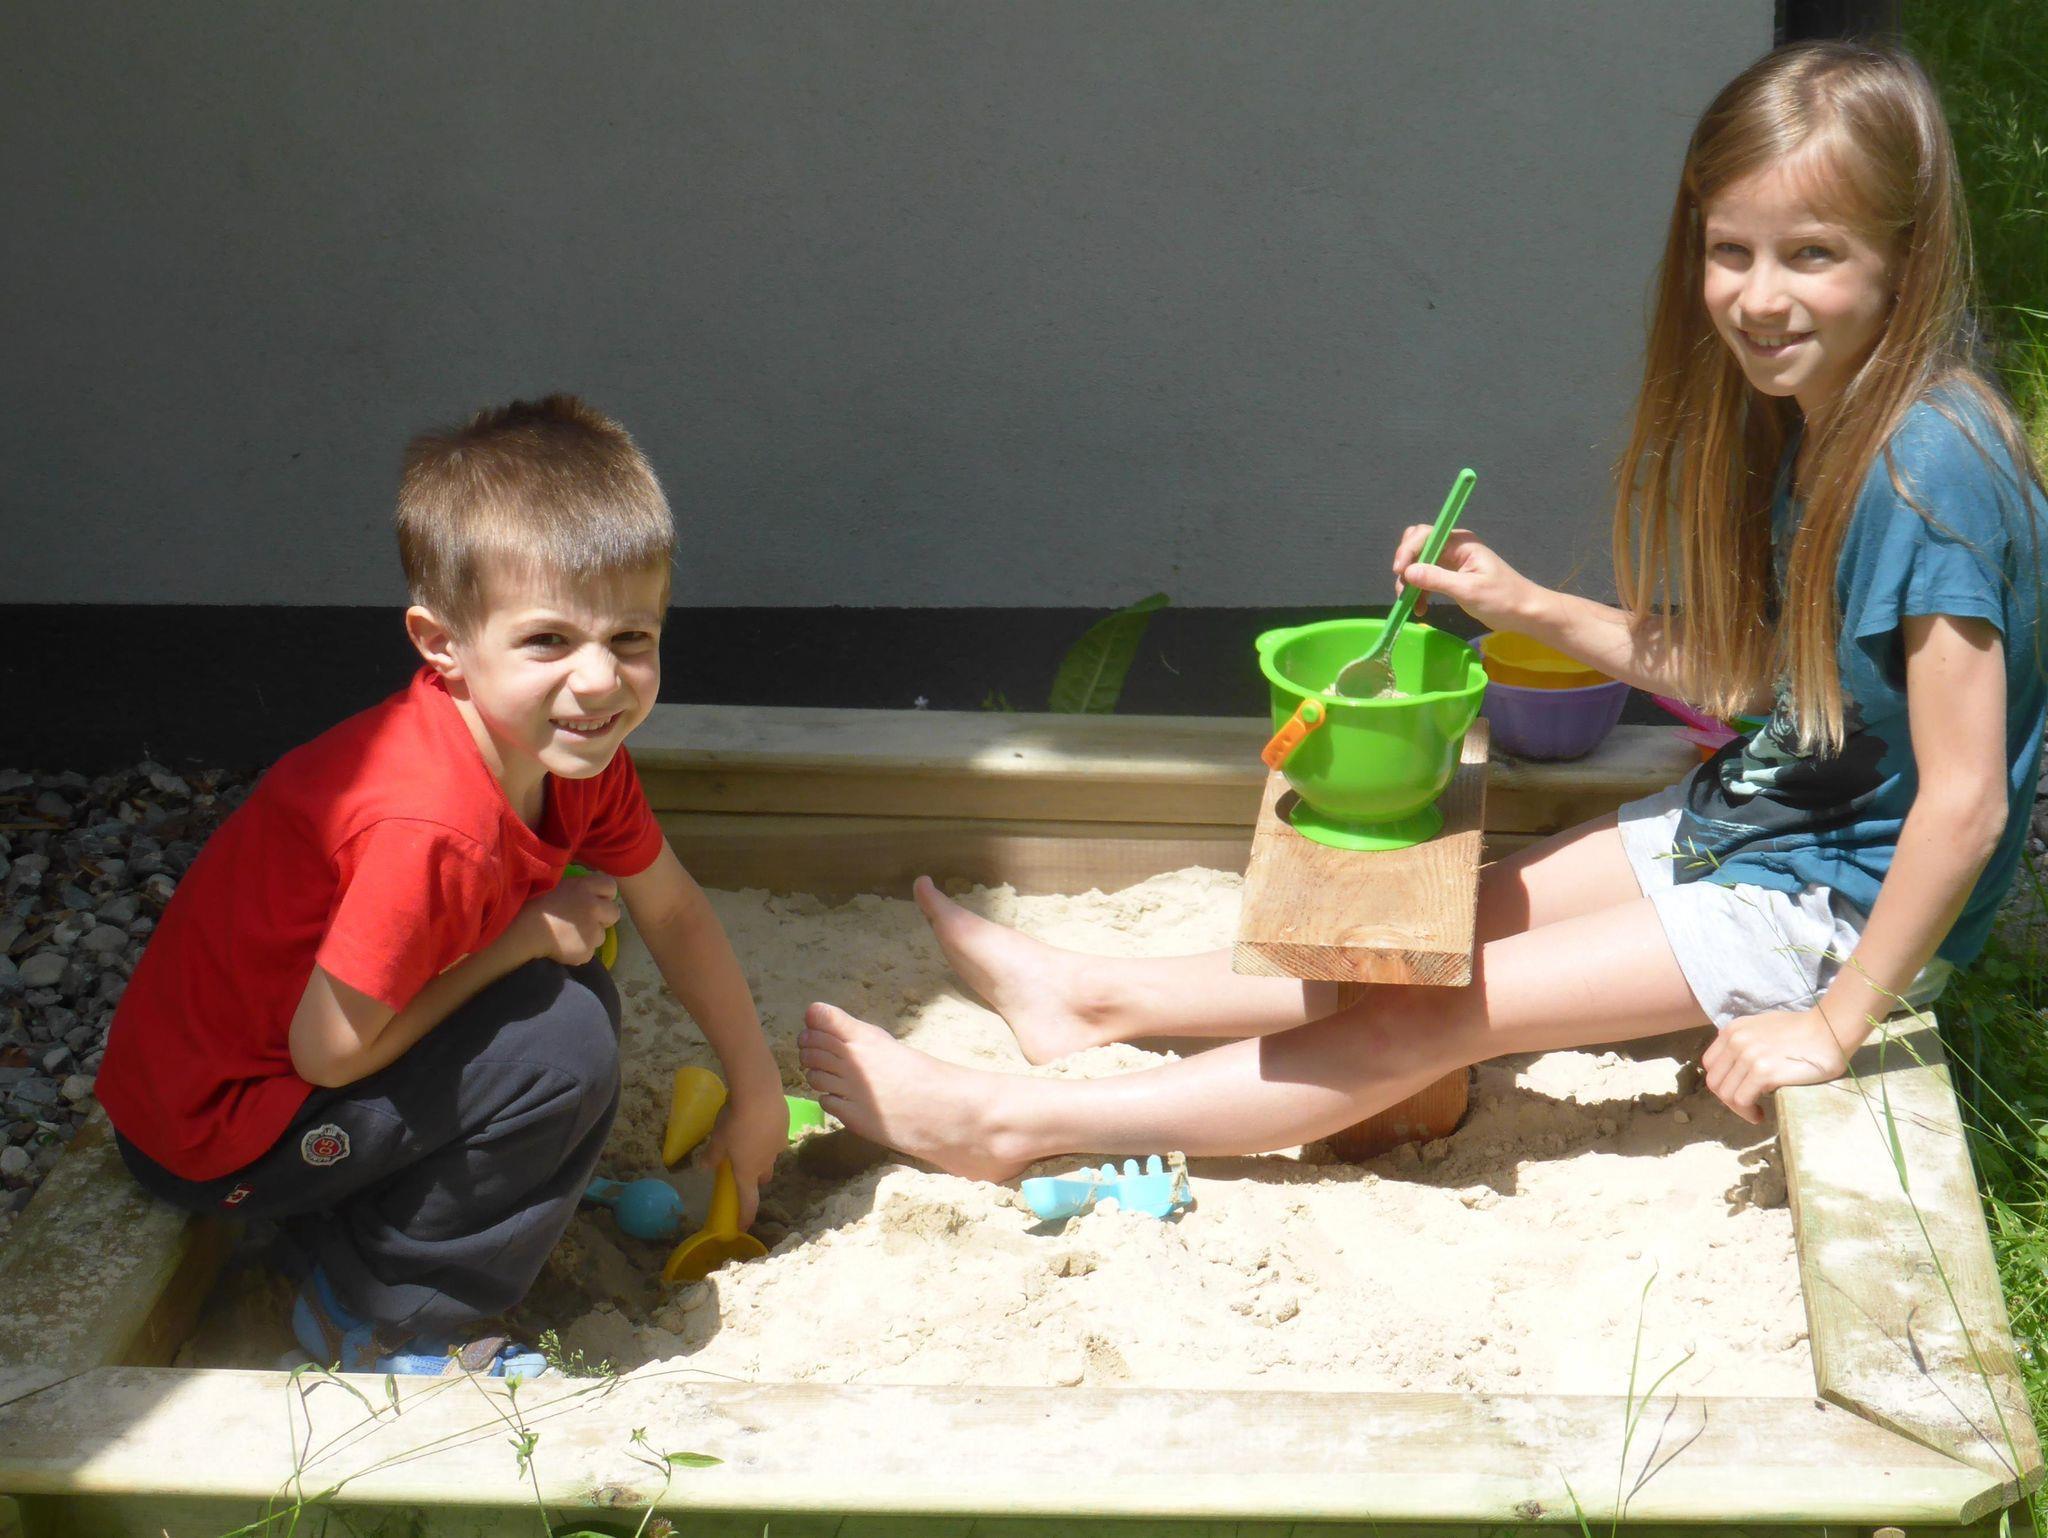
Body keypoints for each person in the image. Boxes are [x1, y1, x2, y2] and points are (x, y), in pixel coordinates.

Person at [797, 41, 2048, 1182]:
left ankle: (1009, 1122)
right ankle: (1094, 997)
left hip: (1827, 909)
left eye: (1810, 255)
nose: (1758, 298)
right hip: (1762, 826)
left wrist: (1832, 1018)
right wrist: (1522, 602)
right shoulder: (1828, 421)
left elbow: (1964, 801)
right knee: (1432, 931)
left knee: (1422, 1010)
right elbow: (1756, 681)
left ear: (1902, 259)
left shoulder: (1926, 475)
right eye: (1731, 251)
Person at [98, 396, 786, 1375]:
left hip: (289, 1084)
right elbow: (331, 1051)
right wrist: (522, 937)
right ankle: (380, 1316)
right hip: (216, 1136)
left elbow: (670, 908)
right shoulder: (429, 825)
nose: (599, 680)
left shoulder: (568, 756)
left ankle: (360, 1225)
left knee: (565, 999)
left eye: (632, 637)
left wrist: (757, 1092)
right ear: (441, 642)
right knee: (561, 1043)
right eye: (547, 640)